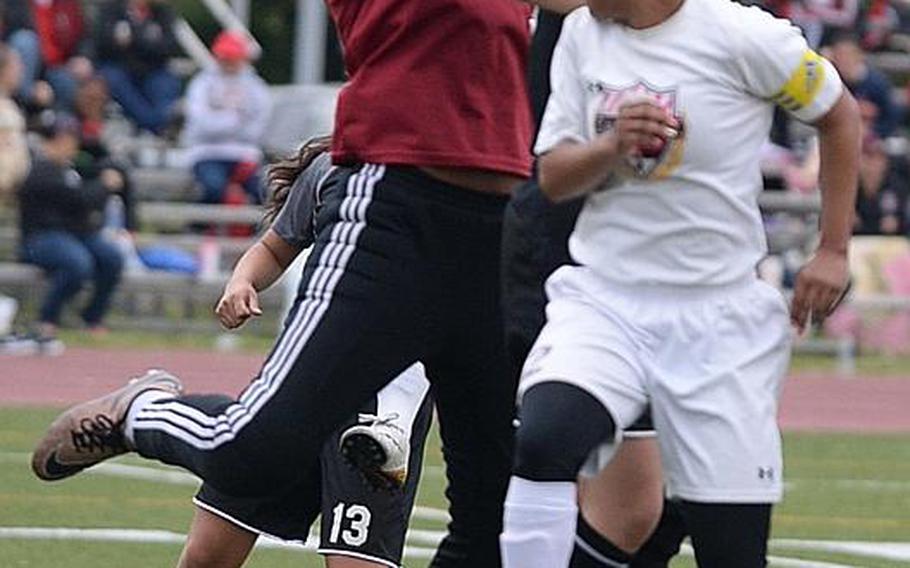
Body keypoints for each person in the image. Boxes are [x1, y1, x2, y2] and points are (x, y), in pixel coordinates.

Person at [33, 2, 541, 567]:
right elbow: (273, 245)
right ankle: (140, 412)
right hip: (398, 203)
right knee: (253, 452)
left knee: (496, 516)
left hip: (499, 224)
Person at [500, 2, 859, 568]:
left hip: (719, 320)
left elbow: (839, 116)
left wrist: (833, 249)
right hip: (604, 300)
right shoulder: (579, 35)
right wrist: (612, 145)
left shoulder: (746, 37)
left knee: (731, 552)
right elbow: (553, 178)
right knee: (546, 437)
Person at [179, 136, 433, 568]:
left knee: (356, 562)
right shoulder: (333, 167)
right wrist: (243, 281)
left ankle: (139, 416)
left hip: (382, 401)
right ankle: (140, 416)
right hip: (301, 375)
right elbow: (275, 247)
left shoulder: (457, 180)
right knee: (208, 555)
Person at [505, 5, 686, 566]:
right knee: (560, 480)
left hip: (657, 274)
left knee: (658, 513)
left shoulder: (717, 29)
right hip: (563, 266)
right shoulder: (578, 25)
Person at [18, 112, 125, 341]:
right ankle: (47, 319)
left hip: (74, 236)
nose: (72, 145)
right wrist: (105, 185)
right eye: (67, 139)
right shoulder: (40, 170)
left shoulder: (71, 170)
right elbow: (80, 200)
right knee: (78, 263)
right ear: (54, 140)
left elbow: (85, 196)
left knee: (112, 258)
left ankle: (92, 317)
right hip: (40, 239)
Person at [183, 31, 272, 205]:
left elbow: (257, 128)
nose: (229, 62)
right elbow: (200, 124)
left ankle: (258, 231)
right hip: (207, 153)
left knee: (264, 191)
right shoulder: (202, 83)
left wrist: (219, 121)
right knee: (213, 187)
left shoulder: (255, 87)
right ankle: (200, 228)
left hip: (246, 155)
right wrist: (235, 120)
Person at [95, 0, 181, 134]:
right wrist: (147, 41)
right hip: (121, 69)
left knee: (166, 84)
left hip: (153, 69)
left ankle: (158, 124)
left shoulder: (162, 12)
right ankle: (156, 125)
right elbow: (102, 44)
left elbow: (168, 48)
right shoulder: (110, 9)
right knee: (113, 79)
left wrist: (133, 38)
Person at [826, 31, 900, 138]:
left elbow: (891, 116)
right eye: (839, 55)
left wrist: (874, 133)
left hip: (873, 139)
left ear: (859, 56)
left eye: (848, 55)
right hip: (839, 137)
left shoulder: (877, 83)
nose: (843, 60)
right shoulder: (832, 82)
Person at [853, 99, 910, 236]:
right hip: (857, 243)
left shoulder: (896, 181)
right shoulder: (849, 185)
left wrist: (897, 221)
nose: (872, 166)